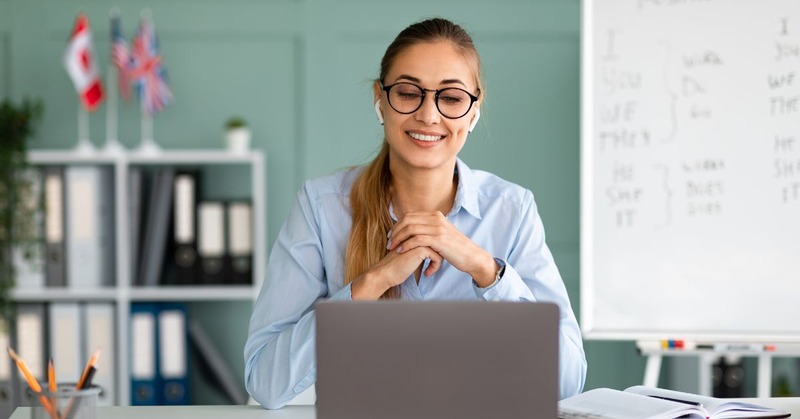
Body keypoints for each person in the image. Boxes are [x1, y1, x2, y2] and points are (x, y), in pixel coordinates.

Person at [244, 17, 586, 409]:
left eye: (452, 98)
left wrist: (485, 270)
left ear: (473, 112)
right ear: (380, 99)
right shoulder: (321, 207)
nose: (428, 115)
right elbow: (264, 381)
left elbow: (568, 380)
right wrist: (372, 283)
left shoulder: (512, 210)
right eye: (408, 93)